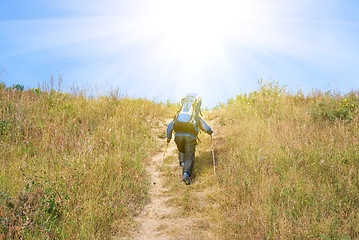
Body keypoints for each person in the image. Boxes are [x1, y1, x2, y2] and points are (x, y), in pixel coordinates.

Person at [166, 93, 213, 185]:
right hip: (190, 137)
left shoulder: (179, 115)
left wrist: (168, 137)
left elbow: (170, 126)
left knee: (181, 151)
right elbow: (205, 128)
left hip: (178, 137)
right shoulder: (194, 116)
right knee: (189, 156)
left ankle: (183, 164)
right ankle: (186, 174)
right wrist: (210, 132)